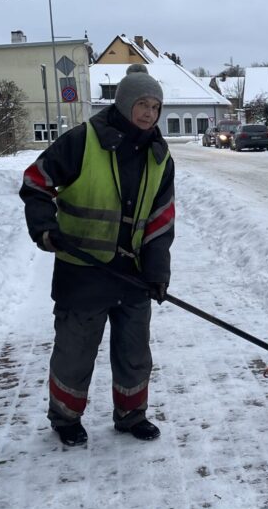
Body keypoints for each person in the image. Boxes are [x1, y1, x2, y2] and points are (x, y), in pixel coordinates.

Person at [20, 64, 174, 447]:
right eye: (142, 104)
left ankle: (131, 414)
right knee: (75, 351)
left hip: (132, 272)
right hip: (83, 268)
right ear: (123, 104)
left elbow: (160, 219)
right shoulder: (81, 141)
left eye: (155, 107)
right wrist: (45, 227)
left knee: (134, 352)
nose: (148, 113)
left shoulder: (159, 155)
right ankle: (66, 418)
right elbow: (36, 182)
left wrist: (157, 272)